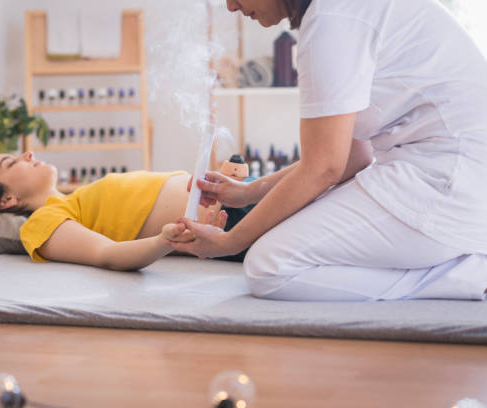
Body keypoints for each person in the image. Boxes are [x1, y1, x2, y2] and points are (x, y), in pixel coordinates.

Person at [168, 0, 487, 301]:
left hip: (448, 185)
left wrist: (228, 242)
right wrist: (249, 193)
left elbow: (324, 168)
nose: (230, 5)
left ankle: (467, 275)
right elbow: (352, 158)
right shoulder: (338, 12)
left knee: (268, 267)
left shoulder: (331, 19)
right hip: (453, 177)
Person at [0, 151, 245, 271]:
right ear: (6, 199)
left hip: (238, 195)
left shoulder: (76, 198)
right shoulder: (42, 222)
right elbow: (107, 254)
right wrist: (165, 241)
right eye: (11, 162)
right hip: (231, 221)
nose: (28, 154)